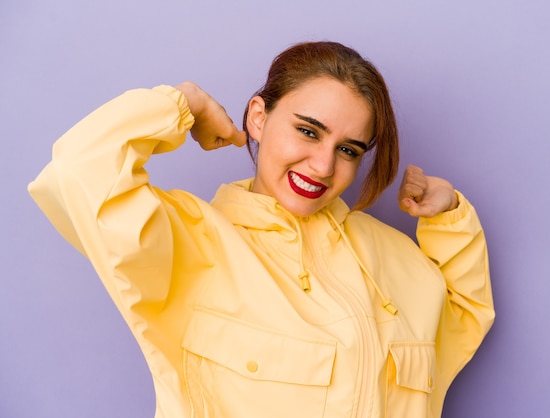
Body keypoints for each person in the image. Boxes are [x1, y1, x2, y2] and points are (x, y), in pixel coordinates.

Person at [28, 41, 494, 418]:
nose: (323, 164)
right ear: (258, 116)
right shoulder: (190, 242)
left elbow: (465, 318)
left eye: (349, 149)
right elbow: (76, 172)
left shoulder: (390, 256)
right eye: (309, 131)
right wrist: (181, 104)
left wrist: (448, 217)